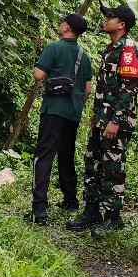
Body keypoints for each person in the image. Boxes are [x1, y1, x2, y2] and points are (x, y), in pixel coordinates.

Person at [66, 4, 138, 237]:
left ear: (122, 25)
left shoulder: (127, 50)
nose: (105, 19)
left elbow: (130, 89)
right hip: (102, 119)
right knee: (93, 163)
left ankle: (112, 217)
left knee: (112, 167)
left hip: (115, 122)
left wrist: (116, 121)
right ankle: (91, 211)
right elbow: (105, 89)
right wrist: (96, 118)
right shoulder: (111, 48)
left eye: (110, 16)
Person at [26, 13, 94, 224]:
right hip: (73, 112)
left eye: (62, 21)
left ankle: (39, 208)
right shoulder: (85, 55)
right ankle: (71, 199)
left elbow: (38, 74)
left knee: (44, 155)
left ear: (66, 27)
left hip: (53, 109)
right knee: (66, 154)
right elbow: (88, 89)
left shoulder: (54, 48)